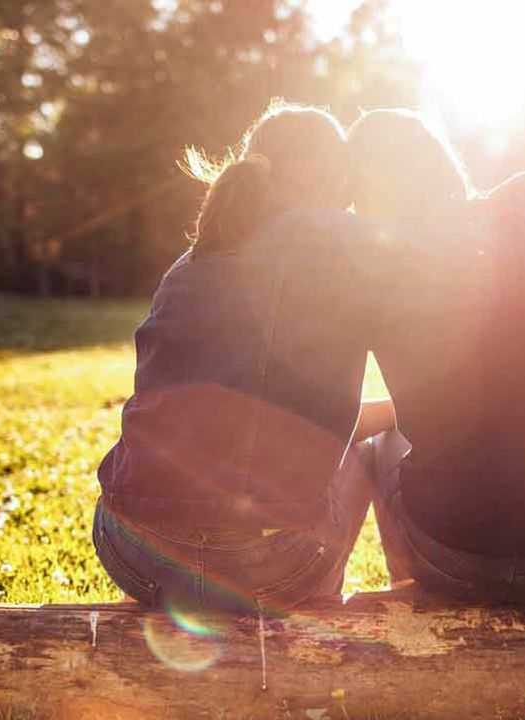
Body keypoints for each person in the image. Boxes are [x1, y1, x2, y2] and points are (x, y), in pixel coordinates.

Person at [93, 101, 391, 616]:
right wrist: (409, 408)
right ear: (336, 176)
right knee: (371, 449)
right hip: (271, 565)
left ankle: (155, 613)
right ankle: (322, 604)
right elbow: (331, 430)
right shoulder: (346, 250)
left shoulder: (193, 258)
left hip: (131, 548)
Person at [347, 109, 525, 605]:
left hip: (454, 558)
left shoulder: (375, 269)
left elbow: (340, 418)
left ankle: (417, 604)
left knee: (379, 446)